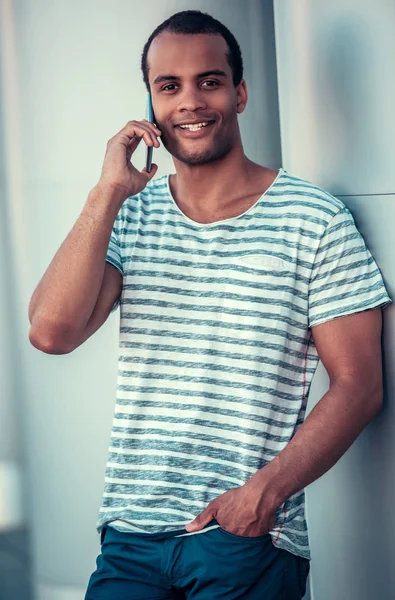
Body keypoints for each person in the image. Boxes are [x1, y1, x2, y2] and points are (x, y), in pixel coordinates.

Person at [28, 9, 392, 600]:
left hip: (245, 539)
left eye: (210, 81)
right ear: (149, 105)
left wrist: (263, 496)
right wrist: (106, 192)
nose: (191, 102)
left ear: (240, 92)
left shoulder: (315, 219)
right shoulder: (129, 215)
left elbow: (360, 386)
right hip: (131, 537)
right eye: (169, 87)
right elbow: (50, 332)